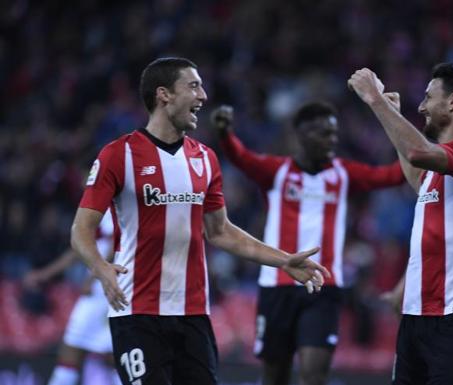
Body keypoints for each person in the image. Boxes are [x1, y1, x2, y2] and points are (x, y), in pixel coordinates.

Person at [70, 57, 330, 385]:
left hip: (193, 314)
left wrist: (284, 260)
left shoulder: (205, 158)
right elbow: (81, 229)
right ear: (164, 95)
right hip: (138, 314)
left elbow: (220, 232)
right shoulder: (118, 155)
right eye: (193, 86)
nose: (203, 96)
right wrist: (99, 267)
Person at [210, 101, 404, 385]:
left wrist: (396, 123)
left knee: (314, 376)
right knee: (275, 376)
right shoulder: (277, 171)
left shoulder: (343, 173)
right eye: (323, 133)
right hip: (277, 286)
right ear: (301, 134)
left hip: (324, 287)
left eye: (334, 133)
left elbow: (393, 175)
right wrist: (225, 134)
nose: (332, 140)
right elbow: (241, 158)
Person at [348, 62, 453, 385]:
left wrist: (375, 98)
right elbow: (418, 173)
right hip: (418, 312)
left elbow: (417, 152)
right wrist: (391, 115)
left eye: (429, 98)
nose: (421, 107)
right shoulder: (440, 168)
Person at [24, 210, 121, 385]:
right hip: (102, 289)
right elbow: (80, 249)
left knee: (105, 353)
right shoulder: (95, 206)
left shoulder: (111, 205)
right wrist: (45, 274)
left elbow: (117, 242)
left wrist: (94, 276)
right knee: (78, 348)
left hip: (106, 289)